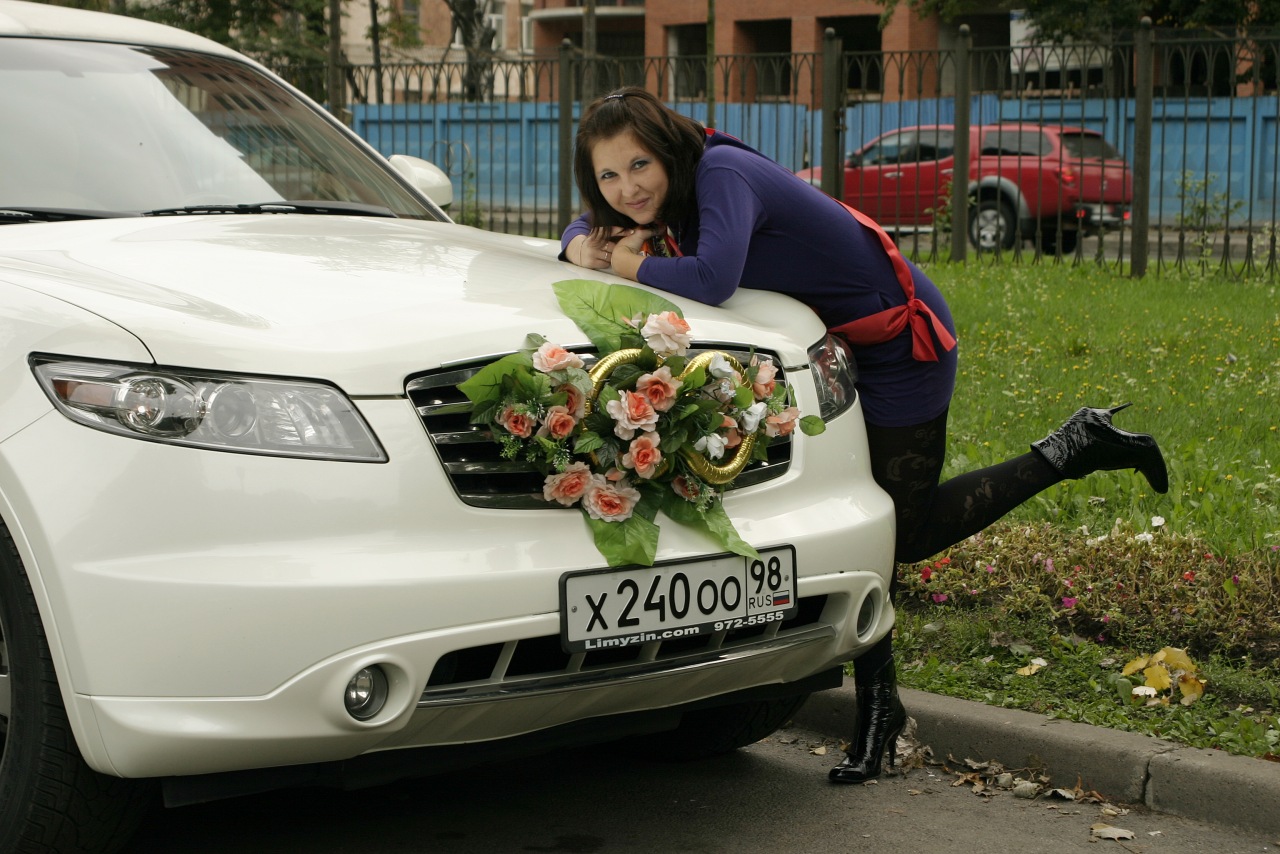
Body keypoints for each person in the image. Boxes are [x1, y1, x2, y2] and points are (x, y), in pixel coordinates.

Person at [559, 86, 1169, 784]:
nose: (627, 188)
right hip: (831, 350)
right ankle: (881, 711)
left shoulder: (721, 173)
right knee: (867, 526)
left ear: (667, 150)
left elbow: (712, 277)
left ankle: (1074, 448)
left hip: (899, 340)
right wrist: (581, 240)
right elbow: (585, 227)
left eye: (639, 165)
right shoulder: (664, 193)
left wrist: (626, 262)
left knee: (903, 532)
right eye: (609, 175)